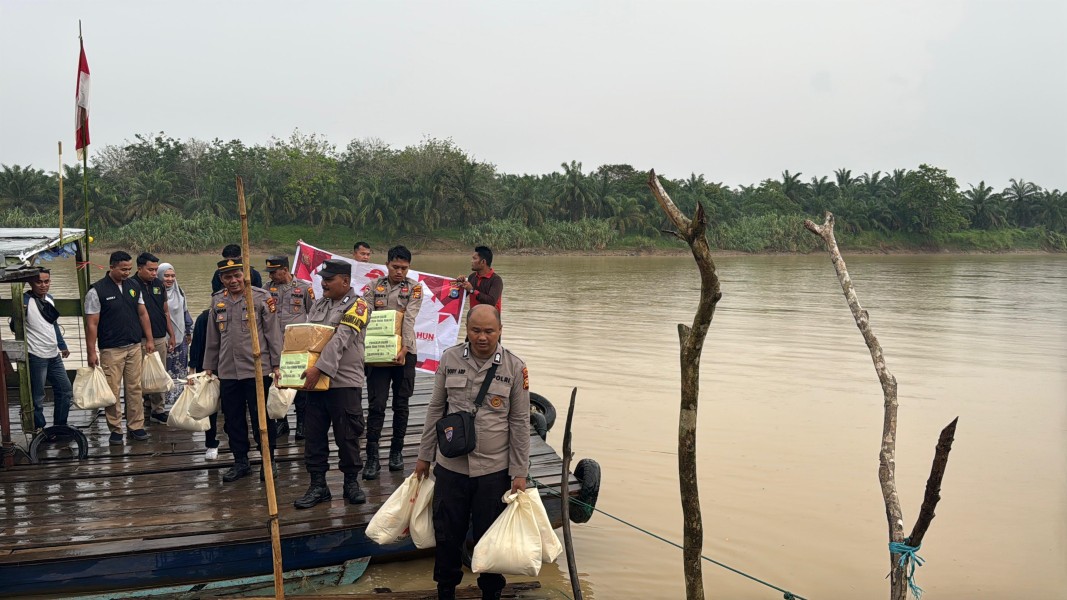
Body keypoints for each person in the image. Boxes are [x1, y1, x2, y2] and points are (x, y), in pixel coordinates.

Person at [415, 305, 530, 600]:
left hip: (493, 472)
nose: (482, 337)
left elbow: (520, 422)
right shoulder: (450, 358)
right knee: (446, 536)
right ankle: (445, 591)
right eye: (476, 330)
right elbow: (435, 409)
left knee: (491, 540)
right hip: (451, 468)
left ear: (500, 330)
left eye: (489, 331)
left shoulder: (515, 367)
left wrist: (519, 472)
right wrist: (424, 455)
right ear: (467, 330)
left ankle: (491, 594)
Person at [293, 259, 372, 509]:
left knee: (348, 436)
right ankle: (318, 486)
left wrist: (318, 369)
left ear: (345, 281)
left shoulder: (359, 305)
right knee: (314, 435)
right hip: (315, 382)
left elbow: (340, 340)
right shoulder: (319, 304)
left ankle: (351, 483)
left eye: (329, 279)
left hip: (343, 382)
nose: (324, 284)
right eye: (323, 279)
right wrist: (291, 369)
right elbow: (308, 339)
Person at [203, 258, 282, 482]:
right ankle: (241, 461)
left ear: (244, 275)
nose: (233, 280)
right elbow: (213, 337)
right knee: (233, 419)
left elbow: (273, 334)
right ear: (221, 279)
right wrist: (209, 366)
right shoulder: (218, 300)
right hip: (228, 370)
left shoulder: (261, 297)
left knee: (262, 419)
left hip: (258, 369)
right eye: (228, 277)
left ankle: (268, 461)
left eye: (237, 275)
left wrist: (277, 364)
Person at [361, 245, 423, 479]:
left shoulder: (415, 288)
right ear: (387, 264)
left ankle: (396, 452)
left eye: (404, 268)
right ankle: (372, 457)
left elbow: (409, 318)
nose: (399, 272)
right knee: (376, 404)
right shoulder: (373, 286)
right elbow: (364, 312)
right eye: (395, 267)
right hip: (378, 354)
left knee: (401, 403)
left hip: (405, 353)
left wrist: (404, 349)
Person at [85, 251, 157, 445]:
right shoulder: (97, 291)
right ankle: (116, 429)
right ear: (112, 267)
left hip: (134, 346)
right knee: (112, 391)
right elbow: (92, 324)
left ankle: (136, 426)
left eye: (129, 269)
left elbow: (143, 314)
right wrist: (91, 351)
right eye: (123, 269)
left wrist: (149, 339)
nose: (126, 273)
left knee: (135, 388)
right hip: (111, 349)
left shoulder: (134, 286)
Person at [265, 255, 315, 438]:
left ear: (285, 270)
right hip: (274, 344)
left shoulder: (304, 288)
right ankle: (281, 422)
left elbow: (314, 314)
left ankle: (302, 423)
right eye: (269, 272)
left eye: (274, 272)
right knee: (278, 382)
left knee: (299, 383)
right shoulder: (266, 289)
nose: (271, 276)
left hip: (297, 345)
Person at [18, 269, 73, 431]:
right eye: (39, 282)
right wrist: (20, 311)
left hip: (53, 354)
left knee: (65, 390)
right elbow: (15, 326)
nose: (43, 285)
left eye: (46, 281)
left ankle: (60, 426)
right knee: (37, 396)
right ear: (31, 283)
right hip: (36, 354)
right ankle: (39, 429)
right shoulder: (24, 301)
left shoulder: (50, 299)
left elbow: (53, 324)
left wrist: (62, 345)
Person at [133, 252, 176, 424]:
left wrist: (171, 334)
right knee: (138, 376)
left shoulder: (159, 284)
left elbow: (165, 311)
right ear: (139, 268)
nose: (153, 273)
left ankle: (158, 409)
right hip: (138, 339)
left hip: (159, 337)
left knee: (159, 373)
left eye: (155, 270)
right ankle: (143, 406)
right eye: (150, 270)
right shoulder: (131, 285)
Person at [187, 308, 220, 460]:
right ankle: (211, 443)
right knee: (209, 407)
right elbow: (196, 344)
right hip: (208, 368)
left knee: (234, 407)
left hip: (233, 367)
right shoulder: (204, 317)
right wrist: (192, 368)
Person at [158, 262, 193, 407]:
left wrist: (188, 332)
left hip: (180, 338)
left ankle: (178, 399)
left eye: (173, 276)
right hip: (162, 338)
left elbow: (185, 313)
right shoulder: (156, 293)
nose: (170, 279)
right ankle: (161, 399)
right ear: (159, 276)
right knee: (163, 369)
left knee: (179, 369)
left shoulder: (180, 292)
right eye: (166, 276)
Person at [458, 246, 503, 312]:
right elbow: (460, 297)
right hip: (474, 317)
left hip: (490, 318)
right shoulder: (472, 277)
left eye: (474, 258)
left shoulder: (496, 280)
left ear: (483, 262)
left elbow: (492, 301)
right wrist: (459, 283)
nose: (471, 261)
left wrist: (472, 291)